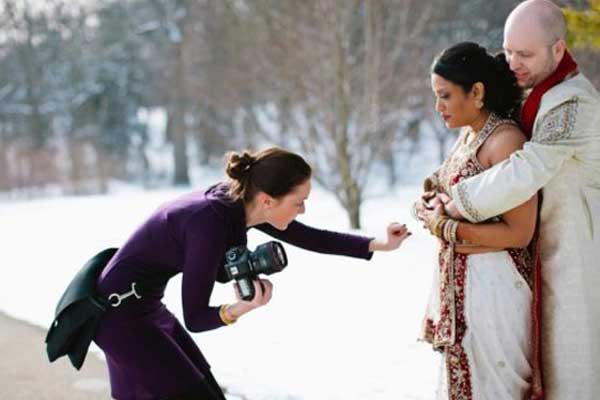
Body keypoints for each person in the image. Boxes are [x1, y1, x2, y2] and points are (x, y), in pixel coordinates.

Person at [93, 147, 411, 400]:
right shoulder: (210, 223)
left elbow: (312, 237)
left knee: (203, 388)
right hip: (120, 316)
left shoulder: (239, 203)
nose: (303, 210)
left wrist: (381, 244)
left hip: (141, 307)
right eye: (299, 203)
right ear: (268, 200)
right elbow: (196, 316)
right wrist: (241, 308)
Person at [420, 1, 600, 398]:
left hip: (571, 255)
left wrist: (453, 207)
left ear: (557, 49)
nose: (514, 61)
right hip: (530, 260)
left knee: (571, 375)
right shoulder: (530, 90)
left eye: (526, 53)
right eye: (509, 50)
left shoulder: (574, 101)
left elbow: (526, 167)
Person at [416, 42, 538, 399]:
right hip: (462, 289)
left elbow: (519, 233)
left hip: (494, 292)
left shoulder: (505, 143)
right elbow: (438, 189)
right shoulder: (468, 136)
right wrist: (428, 204)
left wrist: (445, 227)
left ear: (477, 92)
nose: (438, 107)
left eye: (445, 96)